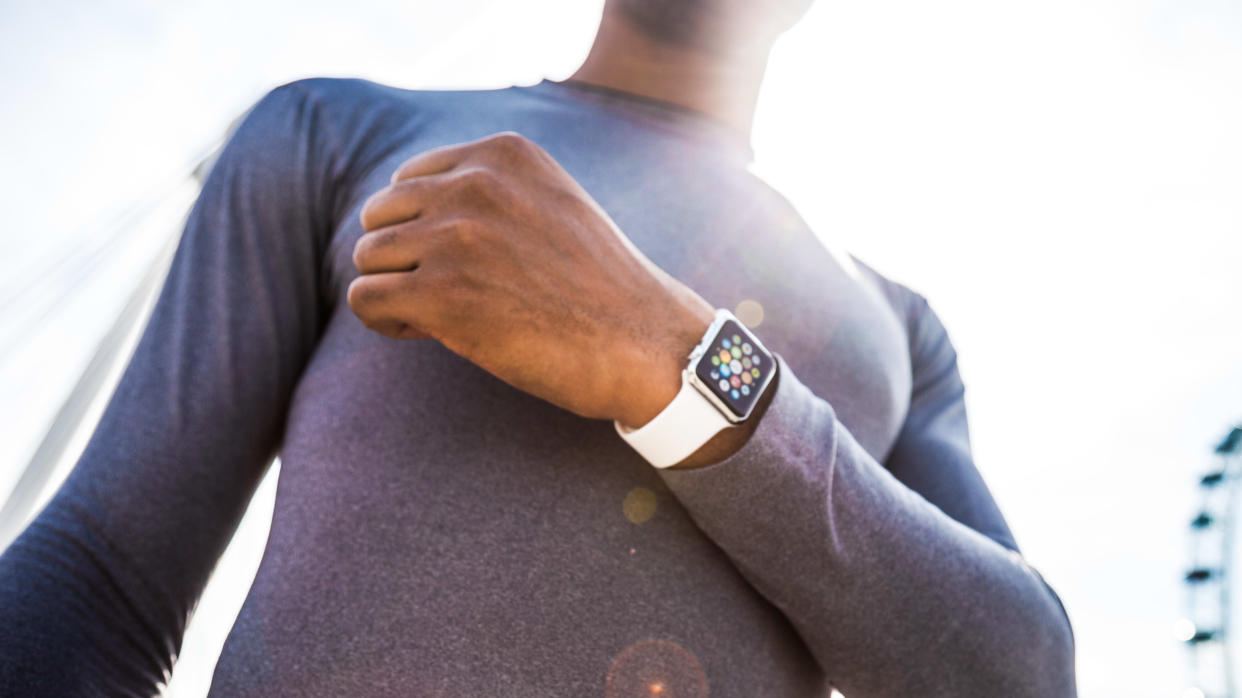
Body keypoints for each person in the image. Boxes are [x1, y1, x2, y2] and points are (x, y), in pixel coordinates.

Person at [0, 0, 1077, 695]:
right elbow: (101, 575)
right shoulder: (333, 132)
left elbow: (1023, 671)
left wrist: (676, 358)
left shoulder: (904, 325)